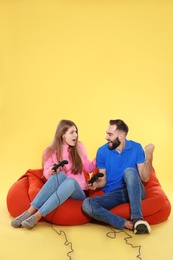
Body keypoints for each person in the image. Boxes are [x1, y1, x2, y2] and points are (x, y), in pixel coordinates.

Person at [11, 119, 96, 229]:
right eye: (71, 132)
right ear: (62, 135)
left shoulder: (79, 147)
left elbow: (89, 168)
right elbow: (46, 172)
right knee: (60, 175)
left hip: (77, 192)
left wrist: (100, 156)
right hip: (60, 189)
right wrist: (51, 171)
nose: (75, 135)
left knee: (70, 181)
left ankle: (37, 216)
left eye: (76, 131)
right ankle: (28, 213)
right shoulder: (50, 151)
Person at [82, 119, 155, 234]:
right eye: (107, 133)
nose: (106, 137)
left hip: (134, 190)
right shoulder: (102, 151)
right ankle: (129, 225)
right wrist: (96, 184)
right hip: (115, 194)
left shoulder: (136, 147)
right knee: (87, 204)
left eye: (110, 134)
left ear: (121, 136)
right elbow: (103, 180)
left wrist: (149, 157)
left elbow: (145, 178)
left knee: (130, 171)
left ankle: (137, 218)